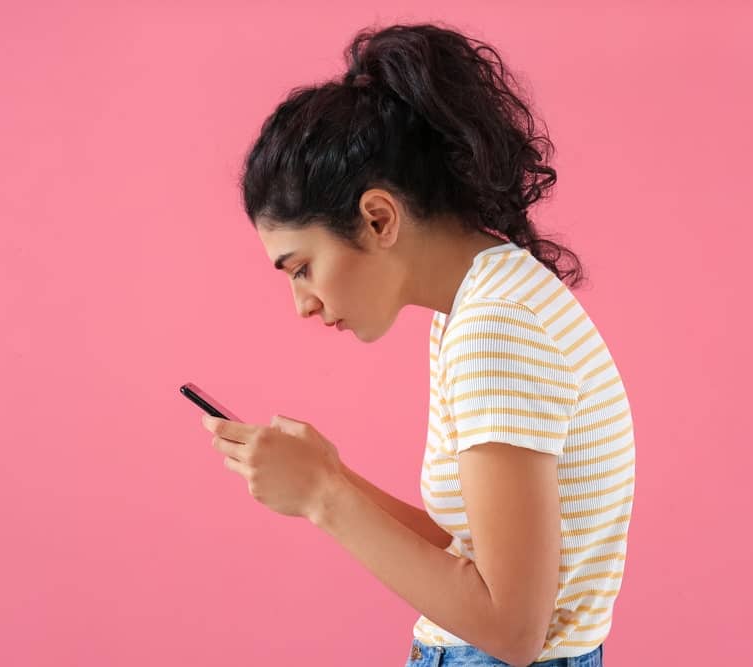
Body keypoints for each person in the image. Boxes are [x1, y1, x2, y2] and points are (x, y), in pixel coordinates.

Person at [238, 21, 633, 666]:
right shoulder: (484, 299)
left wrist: (321, 499)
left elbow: (511, 629)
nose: (302, 304)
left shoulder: (494, 328)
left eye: (301, 267)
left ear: (378, 218)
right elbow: (470, 550)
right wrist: (331, 476)